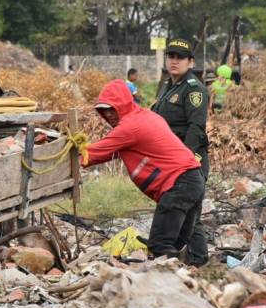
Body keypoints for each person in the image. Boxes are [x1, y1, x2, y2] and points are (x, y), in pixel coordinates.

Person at [83, 80, 205, 259]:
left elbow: (89, 155)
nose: (108, 115)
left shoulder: (128, 128)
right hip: (192, 181)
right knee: (178, 243)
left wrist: (60, 153)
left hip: (179, 184)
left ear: (122, 104)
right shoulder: (146, 116)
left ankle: (167, 280)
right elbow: (104, 153)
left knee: (160, 246)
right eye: (104, 111)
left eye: (111, 109)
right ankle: (196, 273)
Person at [150, 38, 210, 266]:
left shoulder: (194, 90)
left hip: (188, 159)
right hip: (172, 160)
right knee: (185, 211)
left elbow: (196, 129)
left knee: (190, 210)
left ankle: (198, 260)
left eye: (180, 58)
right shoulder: (169, 86)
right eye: (171, 56)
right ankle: (189, 258)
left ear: (190, 62)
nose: (174, 61)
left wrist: (184, 159)